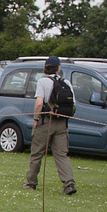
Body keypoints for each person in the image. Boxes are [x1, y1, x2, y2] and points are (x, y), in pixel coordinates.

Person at [23, 56, 76, 195]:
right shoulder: (67, 83)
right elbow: (73, 106)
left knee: (37, 153)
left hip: (46, 121)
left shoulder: (42, 81)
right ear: (58, 68)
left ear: (45, 67)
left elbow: (39, 103)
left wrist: (36, 119)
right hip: (62, 123)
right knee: (62, 155)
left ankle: (31, 182)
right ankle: (69, 184)